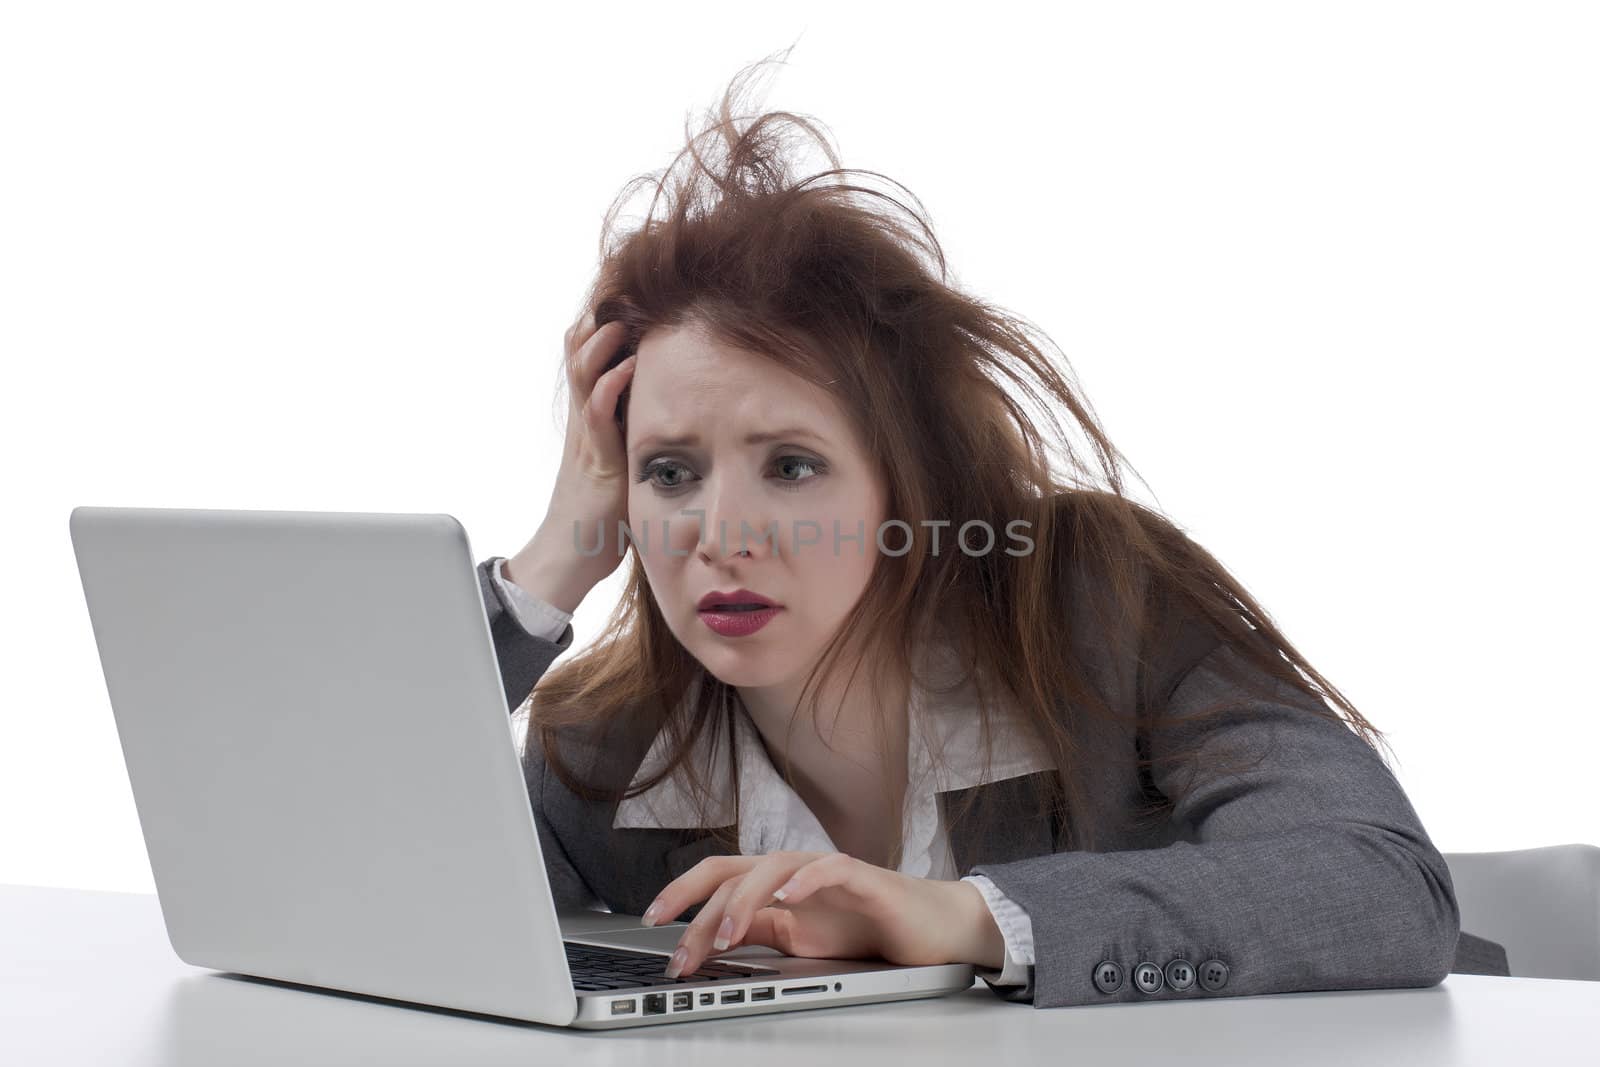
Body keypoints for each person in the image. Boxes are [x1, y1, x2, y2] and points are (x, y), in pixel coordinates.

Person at [476, 51, 1504, 1008]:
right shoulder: (604, 742)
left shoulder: (1101, 606)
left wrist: (969, 916)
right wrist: (553, 562)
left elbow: (1381, 885)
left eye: (791, 464)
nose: (719, 533)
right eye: (669, 471)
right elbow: (354, 885)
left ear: (907, 488)